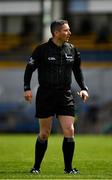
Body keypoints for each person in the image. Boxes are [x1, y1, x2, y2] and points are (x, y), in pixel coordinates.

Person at [23, 20, 89, 174]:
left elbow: (77, 72)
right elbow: (29, 69)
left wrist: (83, 88)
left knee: (69, 130)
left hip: (65, 94)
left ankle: (68, 169)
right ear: (56, 33)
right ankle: (36, 167)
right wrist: (27, 88)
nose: (69, 33)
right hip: (46, 95)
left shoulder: (72, 50)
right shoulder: (41, 50)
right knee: (45, 134)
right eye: (66, 30)